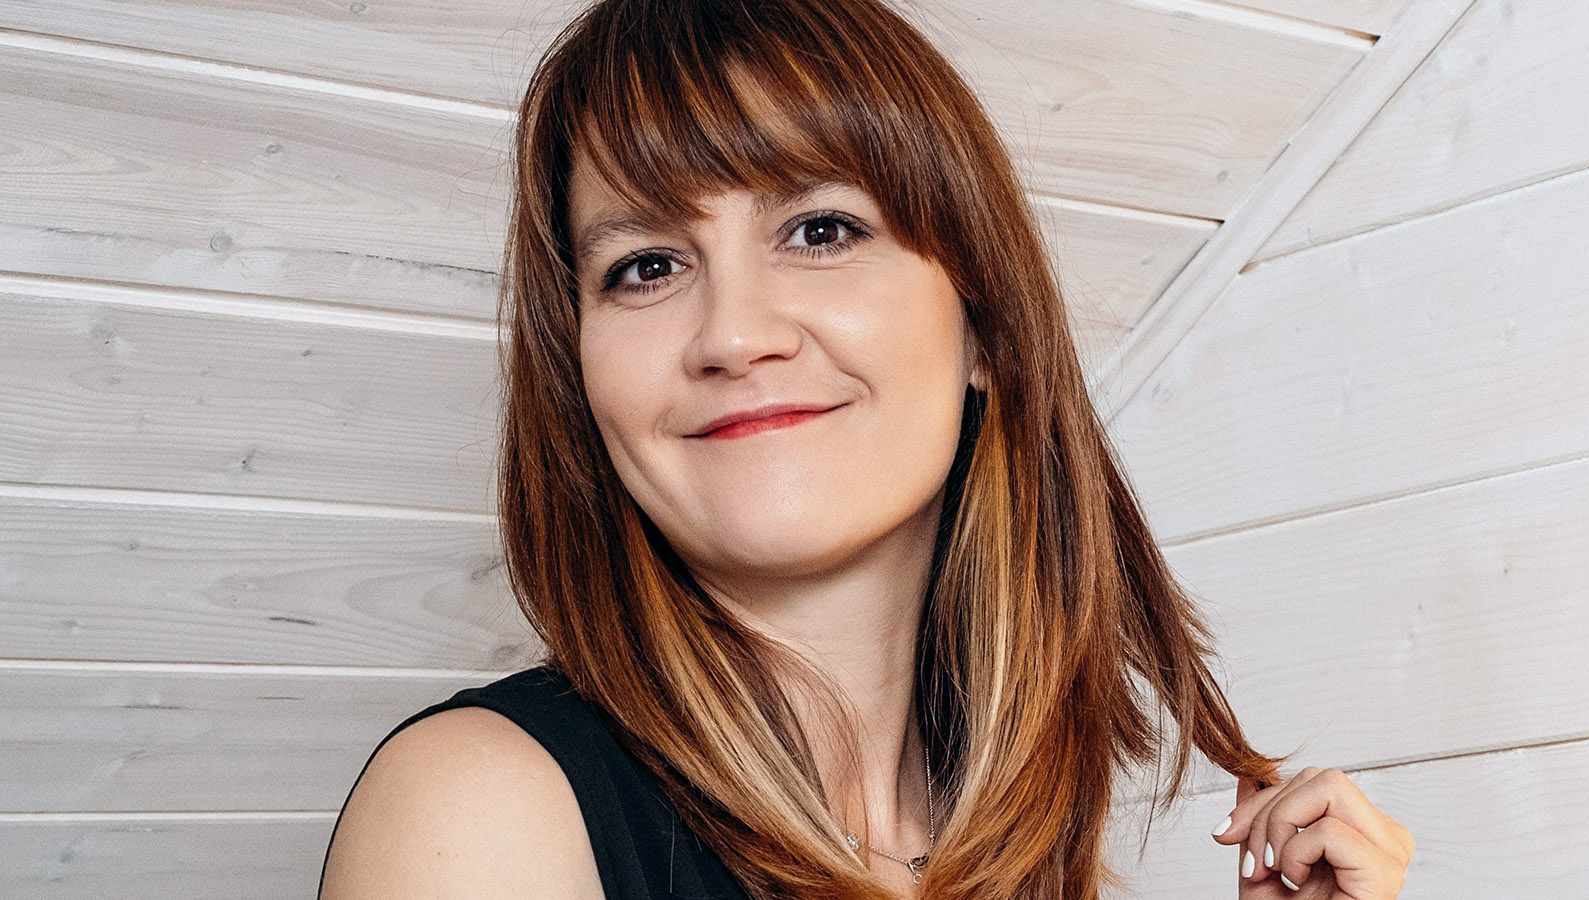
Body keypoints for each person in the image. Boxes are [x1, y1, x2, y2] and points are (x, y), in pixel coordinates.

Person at [319, 0, 1416, 897]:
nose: (734, 335)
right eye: (646, 266)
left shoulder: (1023, 861)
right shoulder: (477, 809)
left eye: (820, 231)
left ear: (983, 325)